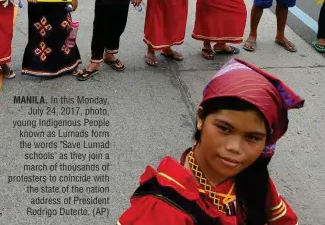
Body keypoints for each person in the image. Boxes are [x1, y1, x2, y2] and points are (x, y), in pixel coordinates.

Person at [118, 58, 302, 225]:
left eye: (253, 138)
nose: (235, 148)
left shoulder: (254, 177)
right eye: (224, 129)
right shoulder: (162, 207)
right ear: (200, 118)